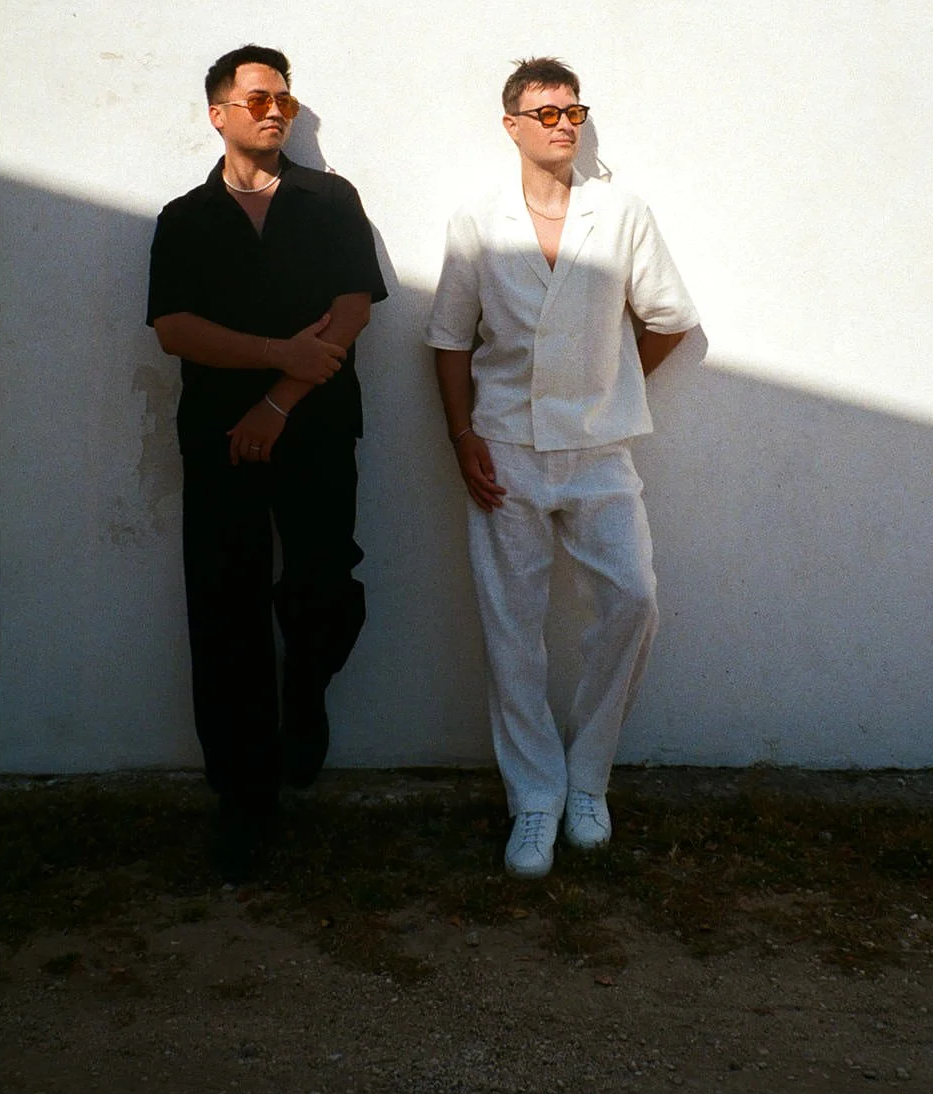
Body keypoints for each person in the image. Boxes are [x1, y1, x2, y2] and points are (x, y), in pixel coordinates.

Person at [426, 57, 701, 879]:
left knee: (634, 598)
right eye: (544, 113)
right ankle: (534, 799)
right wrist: (461, 434)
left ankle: (588, 780)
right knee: (512, 627)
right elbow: (447, 337)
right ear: (511, 125)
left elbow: (668, 318)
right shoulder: (478, 220)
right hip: (504, 446)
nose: (561, 125)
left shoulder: (619, 214)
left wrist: (611, 386)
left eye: (572, 111)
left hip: (597, 448)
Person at [147, 45, 386, 881]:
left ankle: (306, 692)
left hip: (313, 426)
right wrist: (278, 353)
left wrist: (279, 398)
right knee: (225, 611)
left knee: (325, 582)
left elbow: (353, 306)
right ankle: (243, 801)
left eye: (283, 98)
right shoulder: (184, 218)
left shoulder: (329, 198)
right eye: (256, 99)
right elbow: (176, 328)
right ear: (218, 114)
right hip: (219, 438)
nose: (274, 111)